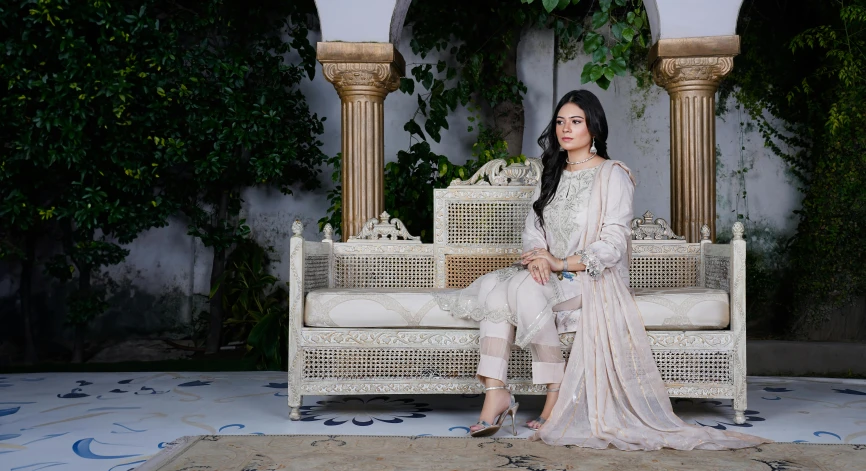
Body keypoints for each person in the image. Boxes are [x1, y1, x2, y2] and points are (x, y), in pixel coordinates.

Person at [434, 90, 768, 450]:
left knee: (523, 290)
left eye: (575, 121)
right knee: (498, 289)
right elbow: (533, 228)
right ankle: (495, 391)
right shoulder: (552, 173)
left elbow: (612, 244)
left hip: (589, 278)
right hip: (547, 270)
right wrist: (539, 255)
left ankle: (556, 391)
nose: (566, 129)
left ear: (593, 127)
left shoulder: (613, 174)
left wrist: (560, 263)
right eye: (560, 121)